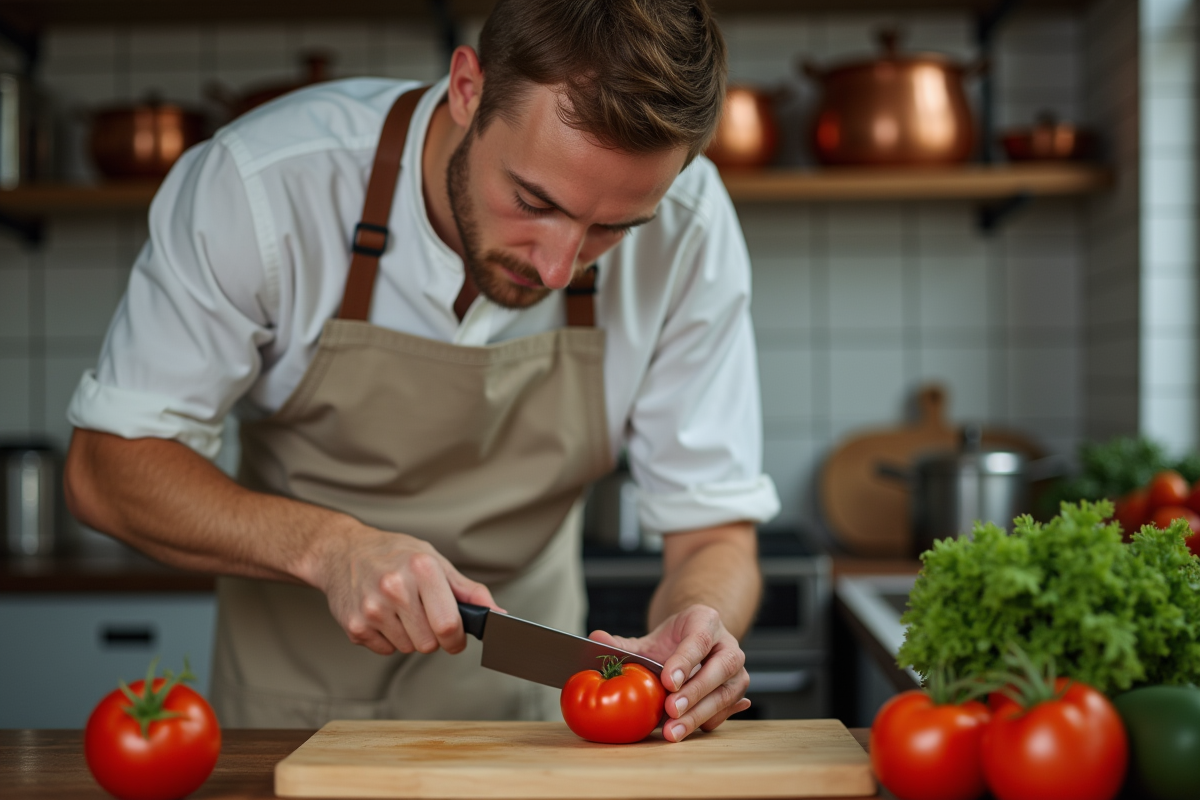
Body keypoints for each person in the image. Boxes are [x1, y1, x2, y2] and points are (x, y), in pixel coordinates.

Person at [63, 0, 780, 740]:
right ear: (467, 89)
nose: (558, 267)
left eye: (611, 230)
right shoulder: (265, 187)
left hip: (535, 722)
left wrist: (703, 627)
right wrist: (331, 548)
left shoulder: (690, 227)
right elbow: (107, 468)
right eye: (533, 200)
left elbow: (712, 531)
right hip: (292, 715)